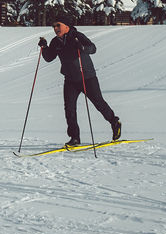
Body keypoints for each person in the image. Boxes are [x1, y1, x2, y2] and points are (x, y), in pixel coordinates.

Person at [38, 13, 121, 147]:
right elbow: (49, 58)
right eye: (54, 26)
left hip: (86, 77)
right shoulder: (55, 41)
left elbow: (93, 48)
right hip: (70, 79)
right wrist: (44, 47)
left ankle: (114, 122)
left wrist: (82, 47)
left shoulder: (77, 36)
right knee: (69, 109)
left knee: (99, 103)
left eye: (58, 25)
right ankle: (75, 138)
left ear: (66, 26)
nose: (55, 28)